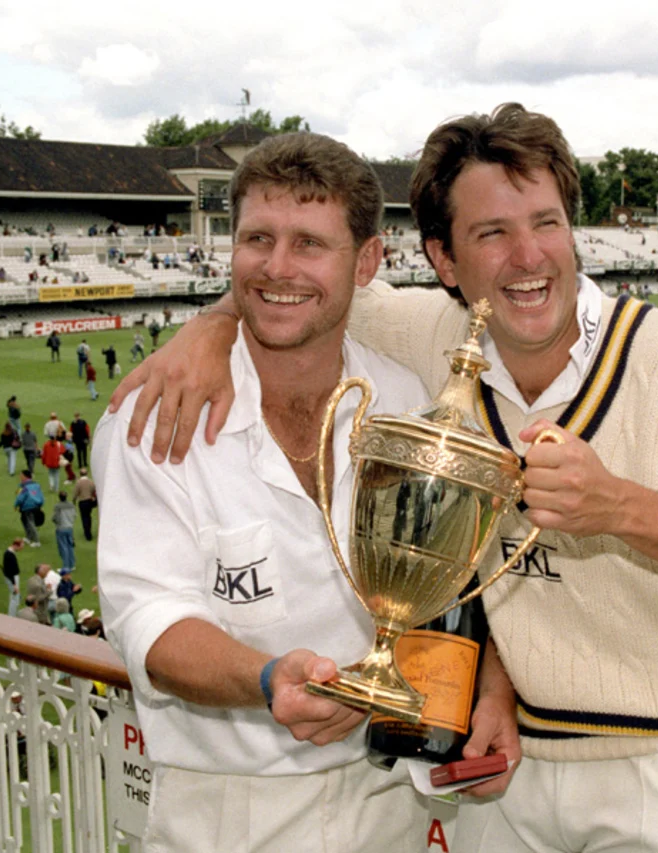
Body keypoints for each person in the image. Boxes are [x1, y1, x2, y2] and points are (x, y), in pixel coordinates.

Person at [109, 105, 658, 852]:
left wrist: (621, 506)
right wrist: (211, 328)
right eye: (492, 234)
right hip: (499, 776)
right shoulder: (434, 338)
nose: (529, 255)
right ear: (445, 261)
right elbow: (296, 283)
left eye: (546, 223)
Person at [96, 132, 439, 851]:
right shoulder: (156, 414)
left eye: (309, 243)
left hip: (388, 802)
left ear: (368, 260)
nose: (277, 267)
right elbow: (150, 621)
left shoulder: (405, 400)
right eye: (258, 238)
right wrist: (266, 678)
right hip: (223, 811)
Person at [13, 471, 44, 547]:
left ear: (26, 476)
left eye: (21, 475)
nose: (20, 477)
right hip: (36, 506)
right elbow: (41, 496)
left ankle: (37, 541)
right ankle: (28, 537)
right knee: (24, 519)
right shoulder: (36, 485)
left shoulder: (25, 487)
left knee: (30, 523)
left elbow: (20, 498)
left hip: (27, 507)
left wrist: (15, 505)